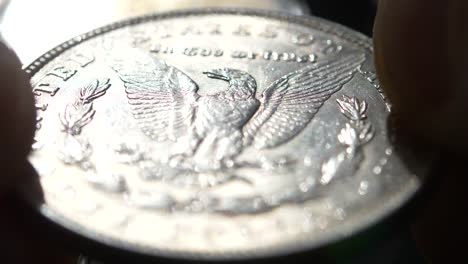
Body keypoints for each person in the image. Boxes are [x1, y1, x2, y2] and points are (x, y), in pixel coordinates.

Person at [0, 0, 465, 262]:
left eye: (236, 83)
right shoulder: (181, 95)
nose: (228, 85)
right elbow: (144, 72)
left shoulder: (268, 101)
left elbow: (313, 83)